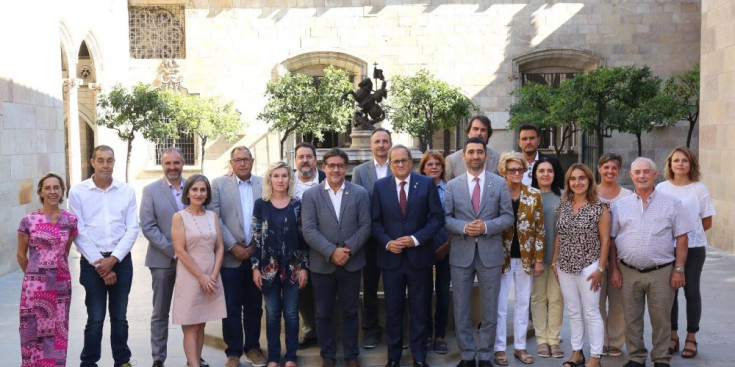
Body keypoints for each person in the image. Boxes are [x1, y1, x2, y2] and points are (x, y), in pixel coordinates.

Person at [609, 157, 694, 367]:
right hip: (628, 271)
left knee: (661, 319)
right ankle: (636, 357)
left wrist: (679, 269)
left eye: (646, 172)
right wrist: (614, 270)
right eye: (637, 172)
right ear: (630, 175)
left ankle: (661, 358)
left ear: (655, 174)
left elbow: (682, 238)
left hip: (661, 271)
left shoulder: (672, 203)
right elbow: (611, 240)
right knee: (632, 318)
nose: (641, 176)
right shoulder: (620, 206)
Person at [372, 145, 444, 367]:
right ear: (390, 164)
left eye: (404, 161)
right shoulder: (380, 186)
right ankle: (393, 357)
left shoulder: (425, 184)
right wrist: (387, 242)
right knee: (393, 311)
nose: (400, 165)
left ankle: (419, 357)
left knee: (420, 309)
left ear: (411, 163)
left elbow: (436, 219)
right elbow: (374, 222)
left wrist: (415, 239)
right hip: (392, 260)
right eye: (396, 161)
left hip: (419, 258)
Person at [444, 137, 514, 367]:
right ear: (463, 156)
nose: (475, 156)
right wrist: (463, 227)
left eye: (479, 152)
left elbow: (507, 217)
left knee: (490, 308)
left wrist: (486, 226)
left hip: (490, 254)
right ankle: (466, 355)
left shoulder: (499, 183)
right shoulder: (453, 185)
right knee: (461, 308)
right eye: (471, 152)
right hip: (461, 253)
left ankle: (485, 355)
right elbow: (445, 218)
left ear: (486, 156)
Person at [69, 145, 139, 367]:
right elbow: (78, 230)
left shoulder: (126, 191)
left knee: (120, 317)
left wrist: (114, 259)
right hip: (92, 263)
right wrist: (100, 264)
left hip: (121, 261)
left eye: (109, 160)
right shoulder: (78, 192)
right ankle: (89, 363)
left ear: (114, 162)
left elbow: (132, 229)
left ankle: (122, 361)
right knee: (95, 318)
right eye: (101, 160)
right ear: (92, 162)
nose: (105, 165)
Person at [302, 148, 372, 367]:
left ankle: (352, 356)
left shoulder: (359, 192)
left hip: (351, 263)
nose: (336, 169)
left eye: (340, 165)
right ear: (324, 167)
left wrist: (347, 249)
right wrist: (332, 252)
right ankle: (328, 357)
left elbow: (365, 226)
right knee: (323, 313)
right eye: (331, 165)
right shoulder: (311, 195)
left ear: (346, 168)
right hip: (322, 264)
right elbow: (309, 230)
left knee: (351, 311)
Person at [141, 148, 208, 367]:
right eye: (168, 163)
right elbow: (149, 227)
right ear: (162, 165)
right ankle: (158, 358)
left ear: (183, 163)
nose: (172, 167)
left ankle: (194, 358)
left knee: (192, 310)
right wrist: (174, 250)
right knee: (160, 311)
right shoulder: (150, 190)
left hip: (193, 262)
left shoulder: (195, 188)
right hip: (163, 261)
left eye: (176, 163)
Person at [210, 146, 266, 367]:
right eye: (238, 160)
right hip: (230, 256)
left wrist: (254, 246)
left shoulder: (264, 184)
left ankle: (252, 347)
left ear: (252, 161)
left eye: (246, 159)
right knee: (231, 307)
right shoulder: (219, 185)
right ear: (231, 163)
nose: (243, 163)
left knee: (254, 306)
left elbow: (267, 215)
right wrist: (233, 245)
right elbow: (215, 216)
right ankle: (233, 352)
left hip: (256, 257)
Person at [657, 147, 715, 359]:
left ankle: (691, 336)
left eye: (684, 161)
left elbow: (707, 221)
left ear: (691, 164)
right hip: (665, 248)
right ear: (670, 164)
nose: (680, 164)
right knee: (670, 294)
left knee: (691, 292)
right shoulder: (661, 188)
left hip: (694, 248)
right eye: (676, 160)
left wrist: (688, 235)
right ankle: (673, 336)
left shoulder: (699, 189)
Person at [251, 161, 309, 367]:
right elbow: (256, 237)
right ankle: (274, 356)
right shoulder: (261, 204)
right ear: (270, 179)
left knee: (292, 314)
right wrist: (255, 267)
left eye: (284, 176)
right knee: (273, 313)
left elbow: (303, 238)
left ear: (290, 179)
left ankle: (291, 356)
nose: (280, 180)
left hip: (292, 266)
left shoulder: (297, 204)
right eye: (276, 176)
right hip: (268, 268)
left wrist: (303, 267)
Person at [552, 163, 610, 367]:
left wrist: (600, 269)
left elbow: (605, 241)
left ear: (589, 181)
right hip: (565, 265)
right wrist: (554, 261)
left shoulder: (600, 207)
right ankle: (577, 353)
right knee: (573, 311)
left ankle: (595, 356)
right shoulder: (564, 205)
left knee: (592, 312)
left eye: (582, 178)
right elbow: (560, 233)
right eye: (573, 179)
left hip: (589, 265)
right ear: (568, 182)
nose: (578, 182)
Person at [17, 172, 77, 367]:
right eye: (47, 188)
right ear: (41, 193)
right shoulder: (29, 221)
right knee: (32, 334)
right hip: (34, 290)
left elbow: (64, 252)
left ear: (62, 192)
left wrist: (53, 274)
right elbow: (20, 255)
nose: (52, 192)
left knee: (57, 333)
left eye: (56, 188)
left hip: (60, 287)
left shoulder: (70, 221)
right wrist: (35, 277)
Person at [493, 152, 544, 366]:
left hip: (525, 257)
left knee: (523, 303)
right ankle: (499, 348)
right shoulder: (496, 193)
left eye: (520, 169)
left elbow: (539, 229)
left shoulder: (534, 194)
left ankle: (520, 347)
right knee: (500, 304)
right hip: (500, 258)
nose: (516, 173)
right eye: (512, 169)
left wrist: (539, 258)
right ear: (503, 171)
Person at [171, 174, 227, 367]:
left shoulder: (213, 216)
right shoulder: (179, 217)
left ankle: (194, 362)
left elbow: (219, 247)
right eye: (194, 189)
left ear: (207, 193)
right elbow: (179, 250)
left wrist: (213, 274)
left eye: (203, 190)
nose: (199, 193)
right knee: (191, 324)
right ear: (187, 193)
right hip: (190, 275)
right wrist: (201, 277)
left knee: (202, 322)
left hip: (211, 274)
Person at [351, 127, 392, 349]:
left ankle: (396, 329)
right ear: (371, 145)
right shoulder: (360, 171)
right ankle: (371, 330)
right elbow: (359, 203)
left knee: (396, 284)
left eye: (385, 141)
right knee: (369, 286)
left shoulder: (399, 166)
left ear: (390, 144)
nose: (381, 145)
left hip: (395, 237)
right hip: (369, 238)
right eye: (377, 141)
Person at [595, 153, 633, 358]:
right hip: (595, 255)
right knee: (596, 301)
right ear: (599, 168)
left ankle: (616, 340)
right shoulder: (591, 193)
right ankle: (600, 341)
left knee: (618, 301)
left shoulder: (627, 195)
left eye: (614, 168)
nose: (610, 171)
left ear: (619, 171)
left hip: (620, 255)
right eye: (606, 167)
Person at [530, 157, 565, 359]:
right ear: (535, 174)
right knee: (538, 298)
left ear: (555, 173)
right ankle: (541, 339)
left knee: (556, 298)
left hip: (558, 257)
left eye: (549, 171)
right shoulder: (529, 195)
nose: (545, 174)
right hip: (535, 257)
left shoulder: (563, 196)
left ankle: (554, 339)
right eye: (541, 170)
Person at [293, 142, 326, 349]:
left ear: (315, 159)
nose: (305, 160)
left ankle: (325, 333)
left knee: (324, 289)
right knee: (302, 288)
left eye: (309, 156)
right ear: (295, 161)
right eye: (301, 157)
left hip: (323, 243)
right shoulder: (287, 181)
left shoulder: (326, 179)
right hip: (297, 244)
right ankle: (309, 330)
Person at [418, 151, 452, 354]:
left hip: (446, 248)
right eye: (429, 164)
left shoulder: (450, 190)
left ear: (442, 167)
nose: (433, 167)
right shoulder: (417, 190)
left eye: (437, 164)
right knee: (422, 293)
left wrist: (448, 245)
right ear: (422, 168)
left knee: (442, 294)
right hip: (422, 248)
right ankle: (426, 334)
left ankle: (440, 334)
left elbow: (457, 218)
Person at [516, 123, 564, 188]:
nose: (528, 142)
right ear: (519, 142)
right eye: (524, 139)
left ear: (538, 140)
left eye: (532, 138)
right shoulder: (513, 164)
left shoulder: (553, 162)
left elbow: (561, 188)